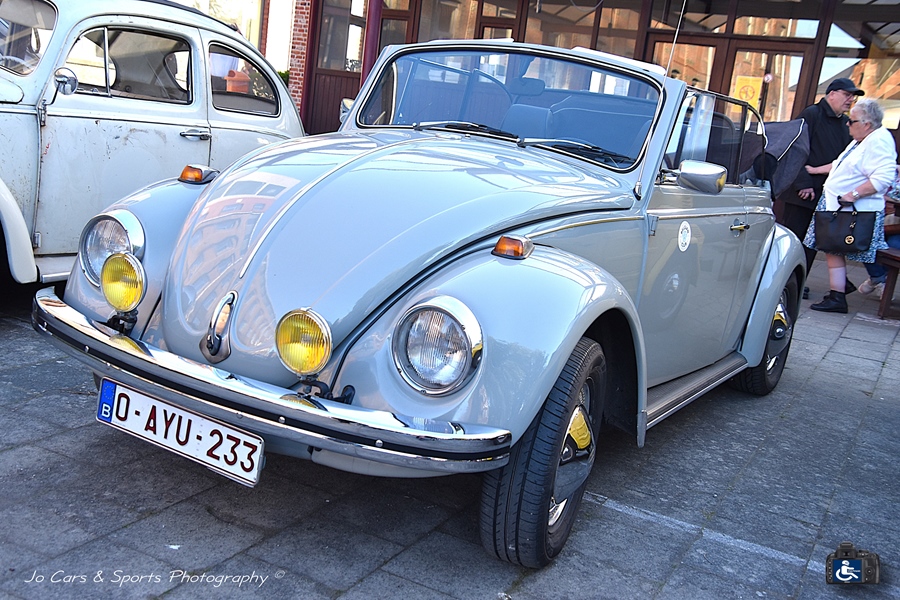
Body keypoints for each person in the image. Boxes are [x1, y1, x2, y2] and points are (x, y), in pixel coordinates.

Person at [803, 98, 898, 313]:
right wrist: (814, 170)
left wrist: (853, 195)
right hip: (839, 206)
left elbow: (883, 179)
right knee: (831, 248)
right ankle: (839, 291)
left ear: (866, 124)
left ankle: (841, 294)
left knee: (835, 247)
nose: (847, 124)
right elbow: (840, 165)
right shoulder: (861, 139)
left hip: (852, 210)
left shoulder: (878, 141)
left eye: (852, 121)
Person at [777, 77, 864, 298]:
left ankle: (798, 283)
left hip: (826, 194)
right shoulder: (812, 114)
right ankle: (784, 283)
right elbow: (794, 147)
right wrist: (803, 182)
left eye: (853, 97)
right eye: (847, 95)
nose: (850, 100)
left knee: (812, 242)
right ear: (832, 94)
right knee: (795, 238)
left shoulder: (845, 123)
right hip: (802, 192)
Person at [858, 167, 900, 298]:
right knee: (863, 241)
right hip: (876, 218)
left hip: (895, 225)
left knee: (893, 246)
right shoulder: (886, 168)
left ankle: (877, 279)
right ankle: (879, 278)